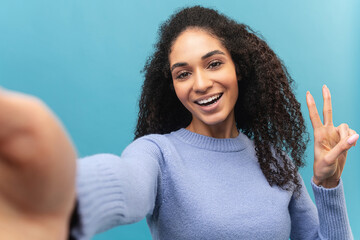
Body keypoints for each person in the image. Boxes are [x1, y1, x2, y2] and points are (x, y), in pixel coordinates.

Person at [0, 5, 358, 240]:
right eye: (183, 73)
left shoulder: (275, 163)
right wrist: (61, 197)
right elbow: (127, 185)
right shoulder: (158, 154)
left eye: (214, 64)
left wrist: (328, 185)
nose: (200, 84)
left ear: (239, 69)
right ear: (171, 85)